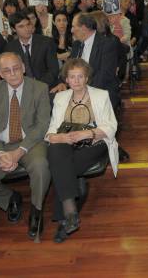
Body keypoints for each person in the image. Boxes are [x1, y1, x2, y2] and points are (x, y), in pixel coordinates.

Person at [0, 52, 51, 239]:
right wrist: (0, 152)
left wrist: (18, 152)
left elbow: (42, 125)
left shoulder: (39, 88)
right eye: (7, 71)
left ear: (23, 67)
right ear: (0, 73)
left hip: (30, 143)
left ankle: (36, 210)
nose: (13, 74)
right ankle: (10, 199)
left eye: (16, 68)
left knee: (41, 167)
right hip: (0, 145)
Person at [45, 59, 118, 243]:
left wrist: (87, 134)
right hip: (66, 143)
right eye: (72, 77)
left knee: (59, 168)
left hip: (95, 142)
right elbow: (51, 131)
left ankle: (65, 218)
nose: (76, 81)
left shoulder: (101, 95)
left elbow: (111, 127)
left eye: (80, 77)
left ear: (87, 78)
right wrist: (60, 137)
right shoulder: (60, 98)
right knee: (56, 151)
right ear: (66, 79)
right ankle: (71, 214)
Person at [4, 12, 59, 88]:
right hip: (23, 89)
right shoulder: (10, 48)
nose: (27, 29)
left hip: (46, 86)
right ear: (13, 29)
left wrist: (37, 86)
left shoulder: (46, 42)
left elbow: (53, 70)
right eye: (21, 26)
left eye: (28, 24)